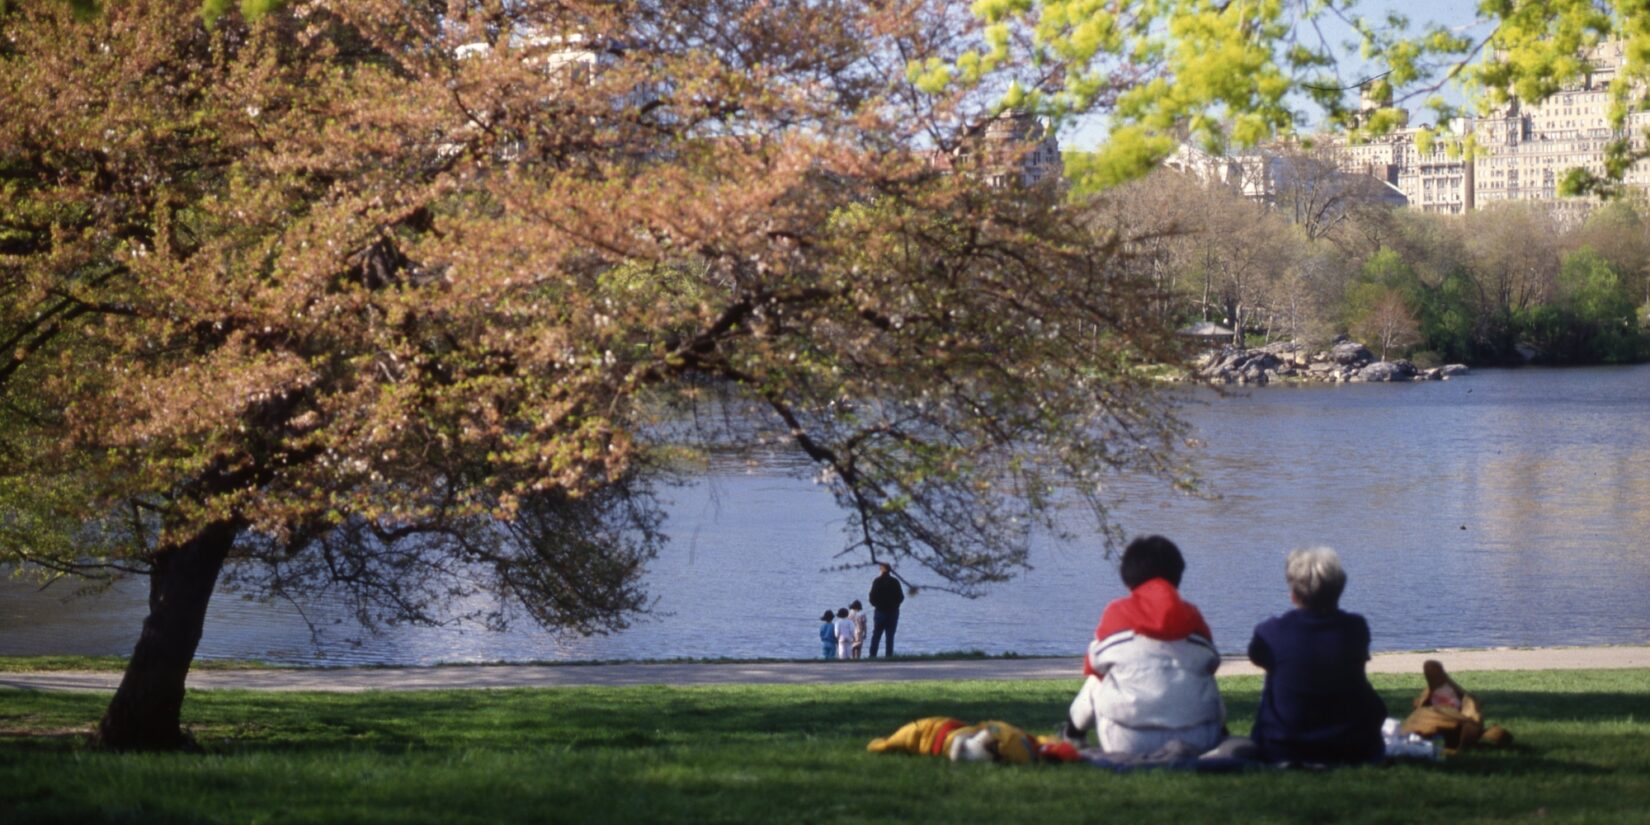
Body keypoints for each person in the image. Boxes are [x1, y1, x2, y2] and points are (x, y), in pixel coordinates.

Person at [1060, 535, 1224, 755]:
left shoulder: (1118, 613)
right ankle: (1221, 732)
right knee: (1200, 674)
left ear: (1128, 578)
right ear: (1177, 576)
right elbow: (1212, 663)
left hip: (1128, 742)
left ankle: (1072, 734)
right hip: (1199, 739)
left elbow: (1092, 665)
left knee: (1101, 678)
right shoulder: (1193, 617)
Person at [1247, 546, 1386, 765]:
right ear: (1340, 589)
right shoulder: (1356, 628)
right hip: (1352, 745)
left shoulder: (1270, 632)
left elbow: (1257, 657)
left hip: (1283, 746)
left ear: (1293, 594)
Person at [868, 563, 904, 658]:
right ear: (890, 570)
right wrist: (895, 606)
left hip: (880, 611)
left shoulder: (877, 581)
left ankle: (872, 656)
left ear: (881, 570)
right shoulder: (895, 582)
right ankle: (889, 656)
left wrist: (877, 605)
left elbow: (872, 597)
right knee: (890, 636)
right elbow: (901, 597)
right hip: (892, 612)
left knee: (876, 635)